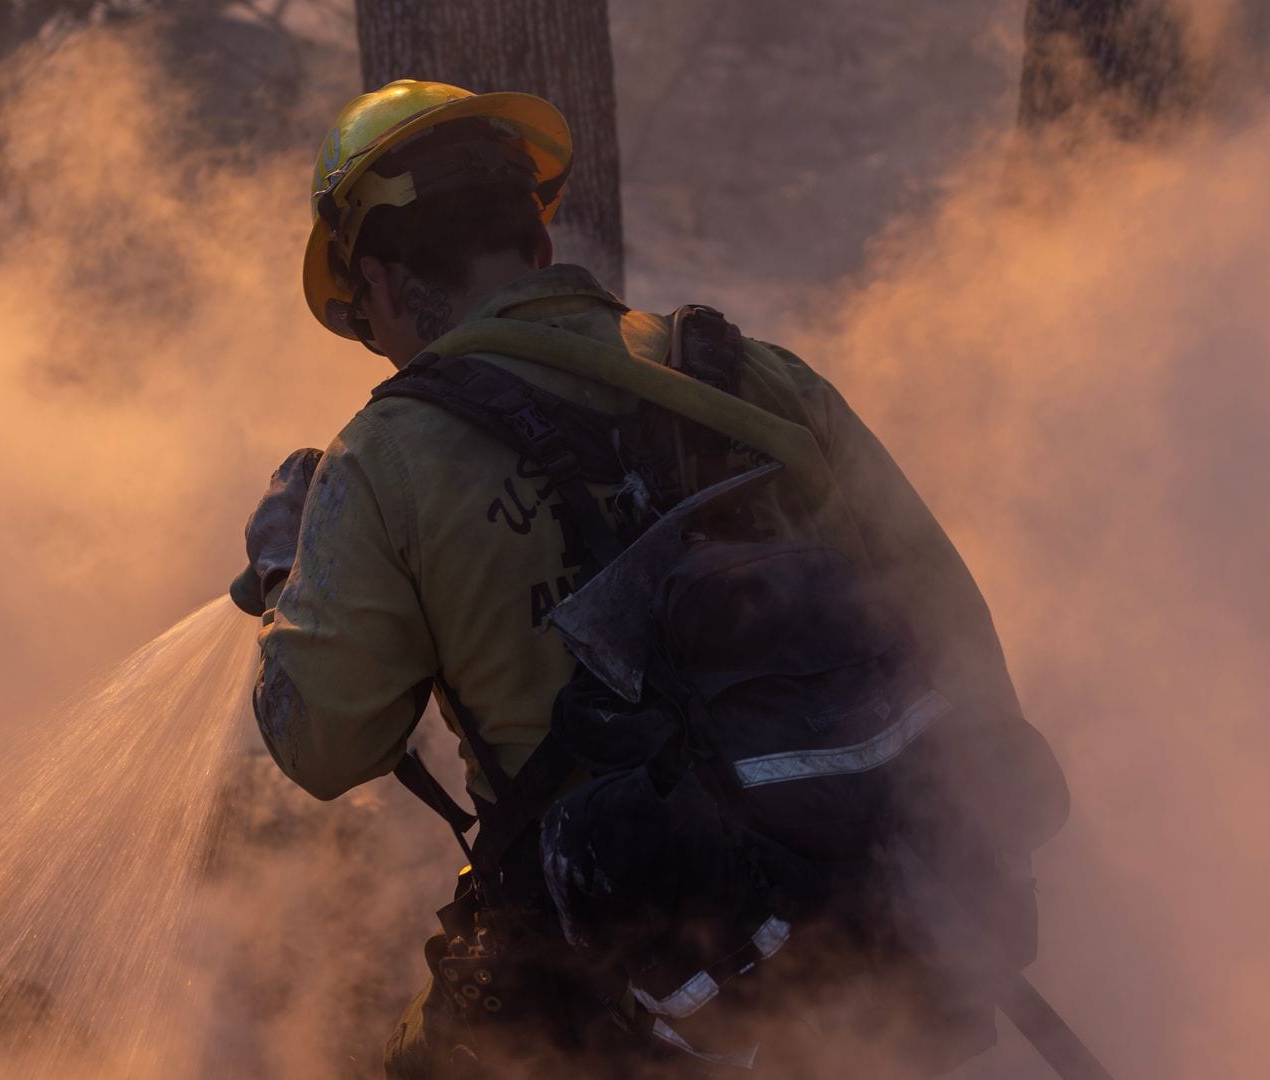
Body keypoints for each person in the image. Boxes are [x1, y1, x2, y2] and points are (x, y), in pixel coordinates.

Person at [234, 80, 1067, 1078]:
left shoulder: (388, 456)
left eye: (365, 318)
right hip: (873, 944)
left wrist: (291, 569)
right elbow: (952, 635)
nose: (380, 347)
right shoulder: (756, 379)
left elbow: (322, 743)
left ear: (378, 278)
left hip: (613, 999)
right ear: (537, 243)